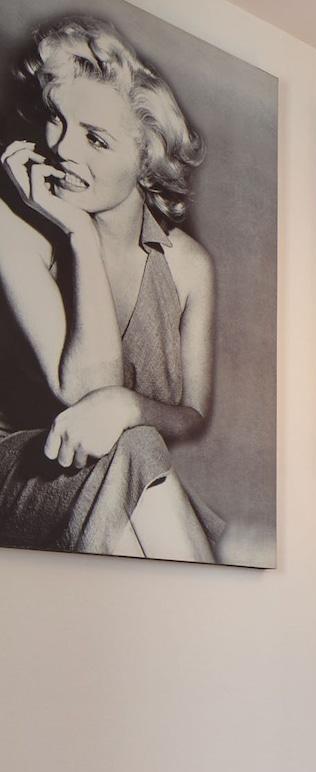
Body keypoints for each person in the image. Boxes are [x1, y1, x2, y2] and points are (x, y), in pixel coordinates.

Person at [0, 15, 221, 560]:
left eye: (95, 138)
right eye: (57, 119)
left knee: (134, 445)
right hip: (22, 471)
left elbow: (191, 413)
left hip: (121, 465)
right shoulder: (12, 229)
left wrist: (128, 407)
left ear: (146, 161)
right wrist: (79, 234)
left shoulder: (188, 266)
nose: (62, 148)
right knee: (135, 451)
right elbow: (84, 391)